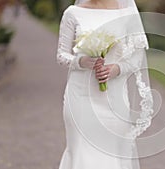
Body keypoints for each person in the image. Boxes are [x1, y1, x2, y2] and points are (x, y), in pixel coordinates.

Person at [56, 0, 153, 168]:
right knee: (80, 151)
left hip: (114, 98)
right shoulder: (73, 13)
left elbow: (137, 57)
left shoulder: (126, 13)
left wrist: (115, 69)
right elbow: (61, 55)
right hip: (80, 96)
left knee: (111, 153)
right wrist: (82, 61)